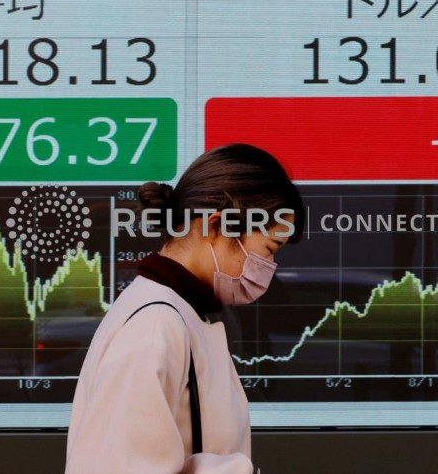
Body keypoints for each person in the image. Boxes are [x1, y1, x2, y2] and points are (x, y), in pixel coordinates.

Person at [65, 143, 304, 473]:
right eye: (270, 248)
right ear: (219, 226)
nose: (270, 266)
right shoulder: (154, 327)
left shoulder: (187, 315)